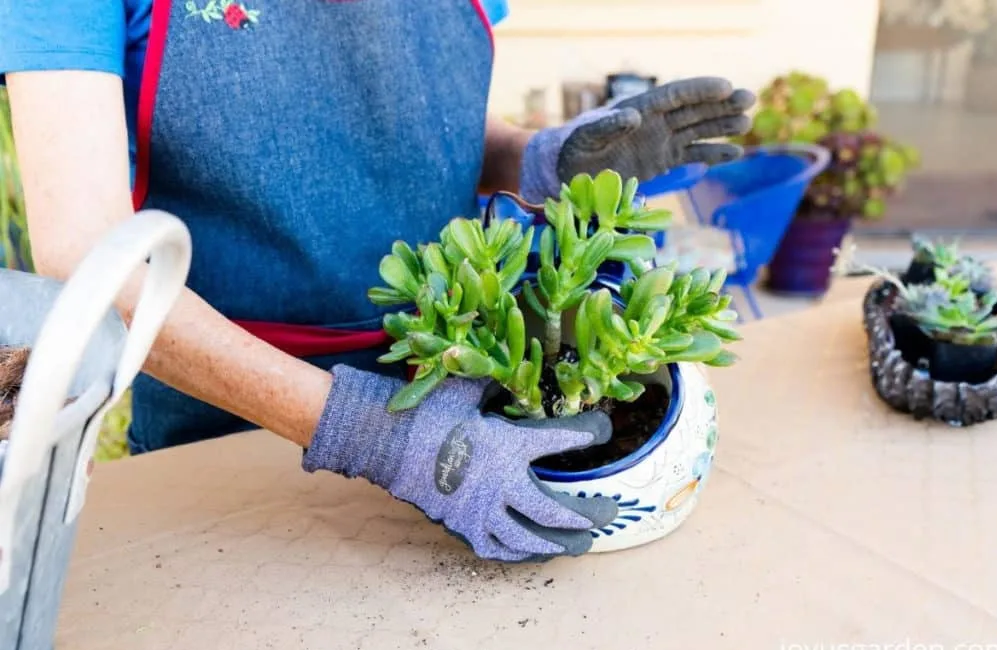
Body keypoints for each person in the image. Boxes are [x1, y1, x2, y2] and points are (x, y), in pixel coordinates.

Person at [0, 0, 753, 562]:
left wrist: (534, 160)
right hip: (224, 435)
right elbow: (85, 250)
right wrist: (371, 432)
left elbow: (419, 121)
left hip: (465, 387)